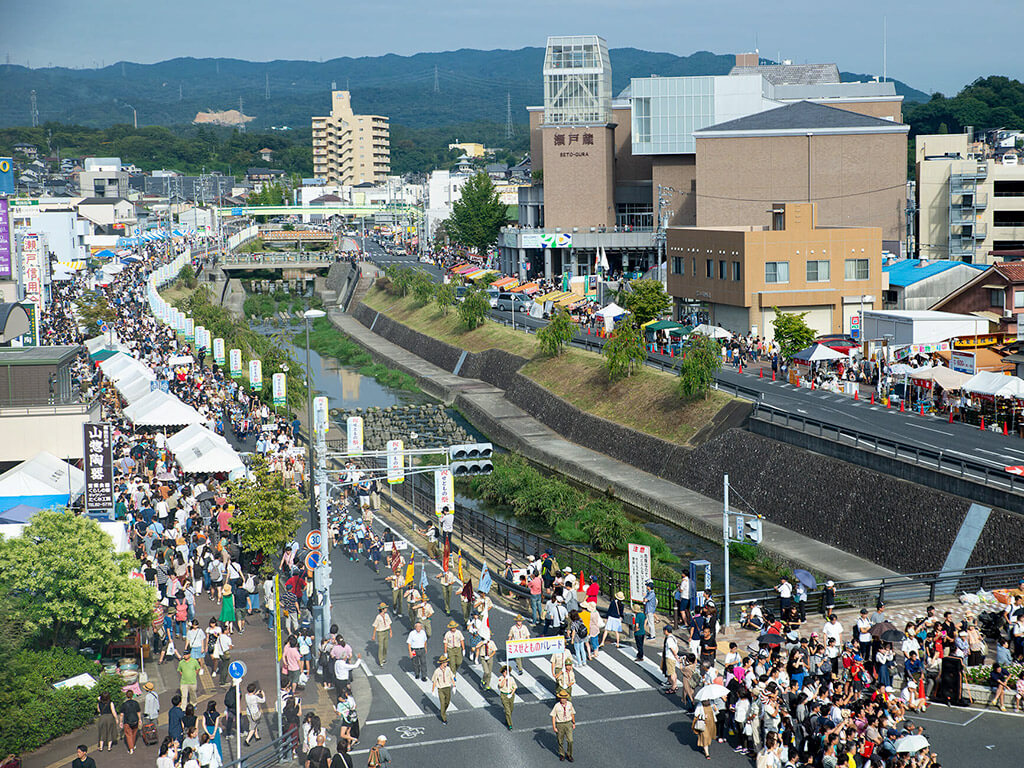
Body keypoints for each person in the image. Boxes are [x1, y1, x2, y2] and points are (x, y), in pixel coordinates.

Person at [551, 689, 576, 762]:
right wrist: (554, 727)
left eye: (565, 698)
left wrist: (573, 723)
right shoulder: (557, 706)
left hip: (568, 723)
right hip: (560, 724)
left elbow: (572, 713)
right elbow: (553, 716)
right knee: (560, 740)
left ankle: (569, 754)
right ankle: (562, 754)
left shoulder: (569, 704)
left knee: (570, 740)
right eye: (562, 698)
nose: (563, 699)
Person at [431, 655, 455, 724]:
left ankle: (443, 711)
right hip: (441, 689)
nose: (446, 663)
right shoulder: (437, 671)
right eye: (445, 662)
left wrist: (454, 686)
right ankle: (444, 719)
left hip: (448, 687)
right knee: (442, 703)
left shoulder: (448, 669)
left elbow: (451, 677)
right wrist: (433, 690)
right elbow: (435, 681)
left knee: (447, 702)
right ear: (442, 663)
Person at [119, 690, 142, 754]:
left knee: (128, 735)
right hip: (135, 720)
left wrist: (120, 722)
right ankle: (133, 745)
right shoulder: (136, 703)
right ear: (132, 695)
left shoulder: (124, 704)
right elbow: (138, 712)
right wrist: (140, 719)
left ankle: (131, 748)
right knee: (134, 733)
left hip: (127, 721)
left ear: (126, 696)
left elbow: (121, 714)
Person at [497, 665, 517, 730]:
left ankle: (507, 719)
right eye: (504, 672)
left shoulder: (511, 678)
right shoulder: (501, 678)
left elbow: (515, 687)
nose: (505, 673)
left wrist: (511, 694)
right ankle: (510, 725)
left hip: (510, 695)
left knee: (511, 709)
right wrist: (505, 678)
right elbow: (501, 685)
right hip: (504, 695)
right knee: (507, 711)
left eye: (507, 672)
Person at [662, 625, 679, 693]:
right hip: (672, 658)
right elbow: (676, 647)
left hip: (669, 657)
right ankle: (675, 684)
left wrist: (675, 655)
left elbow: (671, 648)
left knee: (671, 673)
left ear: (666, 631)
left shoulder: (669, 639)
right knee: (673, 672)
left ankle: (673, 687)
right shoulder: (673, 637)